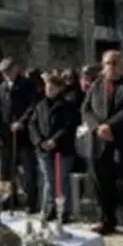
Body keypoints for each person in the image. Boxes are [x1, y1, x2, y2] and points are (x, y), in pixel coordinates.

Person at [82, 50, 123, 244]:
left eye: (114, 63)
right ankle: (106, 219)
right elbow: (86, 109)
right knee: (102, 182)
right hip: (99, 143)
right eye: (107, 63)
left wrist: (110, 127)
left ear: (122, 66)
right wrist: (97, 127)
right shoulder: (97, 85)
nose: (110, 67)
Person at [0, 58, 39, 211]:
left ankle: (31, 203)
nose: (6, 74)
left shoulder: (28, 86)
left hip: (24, 136)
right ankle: (8, 200)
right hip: (5, 136)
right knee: (6, 172)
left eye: (8, 70)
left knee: (28, 172)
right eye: (3, 72)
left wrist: (22, 121)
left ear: (16, 68)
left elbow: (33, 106)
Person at [28, 74, 82, 222]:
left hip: (62, 149)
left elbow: (68, 126)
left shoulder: (67, 106)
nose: (49, 90)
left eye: (52, 88)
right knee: (49, 179)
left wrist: (55, 140)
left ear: (59, 89)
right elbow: (33, 124)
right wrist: (39, 141)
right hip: (44, 150)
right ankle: (49, 208)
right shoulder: (40, 105)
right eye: (47, 87)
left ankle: (63, 210)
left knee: (61, 179)